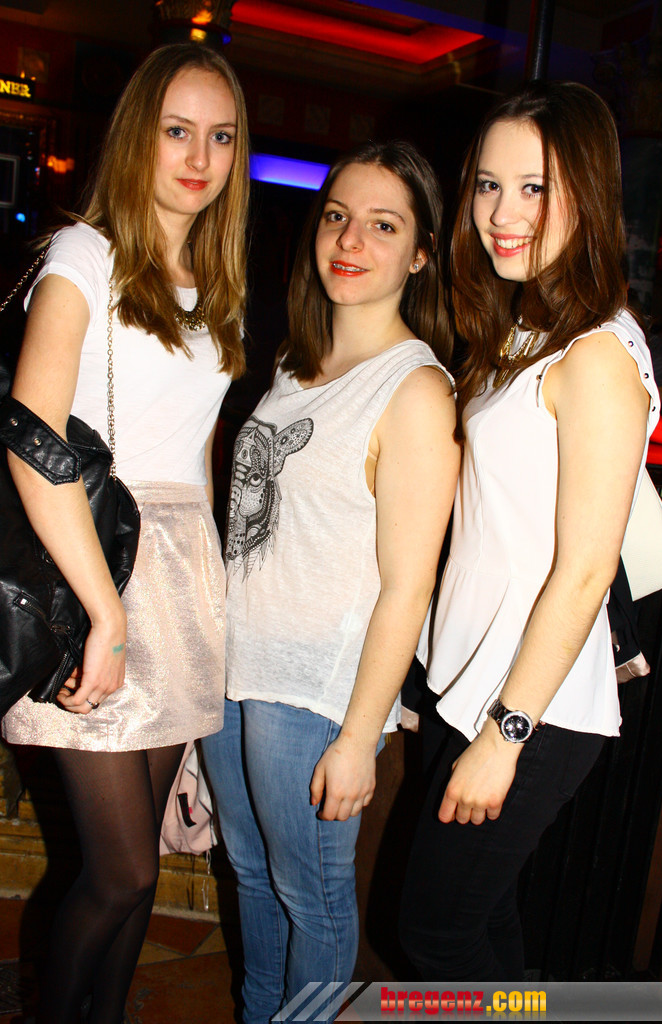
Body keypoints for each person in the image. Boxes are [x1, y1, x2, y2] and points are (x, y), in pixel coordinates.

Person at [1, 43, 249, 1023]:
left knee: (139, 868)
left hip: (182, 582)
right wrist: (106, 615)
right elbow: (32, 439)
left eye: (220, 137)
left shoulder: (210, 279)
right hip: (96, 568)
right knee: (116, 872)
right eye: (177, 131)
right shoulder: (84, 256)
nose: (199, 157)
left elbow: (196, 453)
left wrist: (209, 596)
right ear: (137, 133)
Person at [399, 81, 659, 982]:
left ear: (587, 193)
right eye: (488, 185)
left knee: (435, 933)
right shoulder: (529, 331)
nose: (502, 215)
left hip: (531, 704)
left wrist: (506, 734)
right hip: (474, 676)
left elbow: (586, 570)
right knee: (481, 924)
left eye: (534, 188)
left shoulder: (597, 353)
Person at [203, 140, 459, 1022]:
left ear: (421, 254)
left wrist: (358, 737)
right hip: (235, 669)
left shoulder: (416, 390)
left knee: (309, 897)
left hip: (314, 694)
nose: (351, 240)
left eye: (384, 225)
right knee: (248, 873)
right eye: (339, 216)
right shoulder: (294, 363)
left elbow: (408, 586)